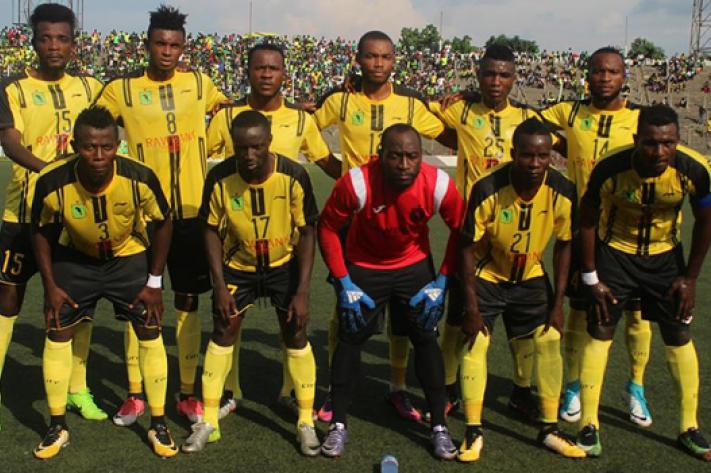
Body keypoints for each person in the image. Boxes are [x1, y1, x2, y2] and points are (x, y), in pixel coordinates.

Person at [96, 4, 228, 426]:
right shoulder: (121, 89)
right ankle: (136, 394)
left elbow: (236, 109)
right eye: (160, 44)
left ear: (183, 47)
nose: (167, 51)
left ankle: (187, 392)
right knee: (138, 303)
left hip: (191, 211)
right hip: (142, 216)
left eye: (174, 45)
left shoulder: (200, 83)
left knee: (188, 301)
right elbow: (91, 125)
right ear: (147, 44)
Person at [313, 30, 449, 423]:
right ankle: (336, 390)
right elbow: (306, 127)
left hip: (399, 220)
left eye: (385, 57)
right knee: (345, 306)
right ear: (358, 59)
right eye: (371, 56)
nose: (378, 63)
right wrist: (335, 169)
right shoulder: (340, 99)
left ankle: (398, 387)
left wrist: (467, 100)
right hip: (353, 217)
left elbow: (448, 133)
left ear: (394, 61)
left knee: (404, 317)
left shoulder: (410, 103)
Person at [30, 106, 176, 459]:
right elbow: (40, 231)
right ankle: (57, 426)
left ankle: (158, 423)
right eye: (89, 147)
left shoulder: (140, 176)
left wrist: (154, 281)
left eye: (107, 147)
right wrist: (50, 285)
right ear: (74, 146)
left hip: (128, 259)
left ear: (117, 146)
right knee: (58, 331)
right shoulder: (52, 181)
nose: (98, 155)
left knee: (150, 329)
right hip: (76, 260)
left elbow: (163, 222)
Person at [206, 43, 338, 417]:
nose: (266, 74)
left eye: (273, 68)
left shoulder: (300, 120)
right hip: (237, 238)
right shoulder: (225, 116)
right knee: (229, 320)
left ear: (284, 73)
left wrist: (365, 185)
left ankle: (290, 391)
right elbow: (199, 152)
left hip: (284, 239)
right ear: (247, 71)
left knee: (291, 322)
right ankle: (229, 390)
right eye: (259, 68)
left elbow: (325, 161)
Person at [575, 105, 711, 462]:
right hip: (615, 254)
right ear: (636, 140)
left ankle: (689, 427)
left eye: (668, 143)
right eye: (650, 143)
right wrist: (591, 277)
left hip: (665, 258)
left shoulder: (695, 169)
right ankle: (588, 424)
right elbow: (586, 220)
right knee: (600, 329)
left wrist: (690, 278)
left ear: (677, 141)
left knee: (679, 333)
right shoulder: (610, 167)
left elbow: (706, 220)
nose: (659, 151)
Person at [317, 124, 461, 459]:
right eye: (395, 156)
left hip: (414, 266)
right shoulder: (357, 182)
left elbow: (461, 229)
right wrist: (343, 281)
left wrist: (442, 281)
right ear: (380, 155)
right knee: (351, 336)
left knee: (425, 337)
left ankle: (439, 427)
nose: (404, 164)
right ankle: (338, 424)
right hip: (365, 266)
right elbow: (326, 228)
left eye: (412, 156)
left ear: (421, 156)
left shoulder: (438, 183)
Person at [182, 111, 319, 456]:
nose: (249, 154)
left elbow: (307, 232)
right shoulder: (219, 177)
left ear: (269, 142)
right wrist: (218, 285)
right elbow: (209, 229)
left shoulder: (294, 175)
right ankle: (208, 420)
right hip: (238, 266)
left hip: (282, 265)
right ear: (233, 145)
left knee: (296, 332)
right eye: (241, 147)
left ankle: (306, 422)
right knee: (223, 329)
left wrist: (302, 290)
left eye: (257, 146)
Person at [0, 3, 105, 426]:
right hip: (22, 213)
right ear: (33, 42)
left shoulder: (91, 87)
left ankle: (77, 388)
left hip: (73, 218)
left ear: (74, 44)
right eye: (45, 38)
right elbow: (11, 142)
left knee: (76, 305)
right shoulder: (13, 87)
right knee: (7, 298)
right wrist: (50, 173)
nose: (54, 46)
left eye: (62, 38)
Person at [457, 118, 585, 461]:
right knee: (476, 341)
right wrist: (471, 307)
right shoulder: (487, 187)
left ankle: (549, 428)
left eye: (543, 156)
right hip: (489, 274)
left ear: (551, 156)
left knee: (549, 339)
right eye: (527, 155)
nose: (535, 163)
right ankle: (473, 430)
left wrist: (558, 303)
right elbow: (465, 248)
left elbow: (564, 244)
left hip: (530, 274)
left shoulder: (562, 190)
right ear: (513, 154)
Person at [540, 47, 651, 426]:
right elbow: (525, 118)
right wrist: (563, 144)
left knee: (636, 314)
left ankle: (636, 387)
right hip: (579, 228)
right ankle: (572, 385)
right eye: (598, 71)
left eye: (612, 71)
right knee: (579, 309)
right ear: (587, 76)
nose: (604, 78)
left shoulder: (639, 118)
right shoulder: (570, 113)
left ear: (624, 76)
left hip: (626, 231)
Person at [431, 44, 543, 420]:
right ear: (478, 76)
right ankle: (447, 386)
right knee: (458, 314)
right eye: (489, 74)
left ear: (514, 79)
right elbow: (414, 104)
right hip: (470, 233)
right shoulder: (461, 110)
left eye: (504, 75)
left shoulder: (528, 116)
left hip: (516, 229)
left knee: (522, 320)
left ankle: (522, 390)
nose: (496, 81)